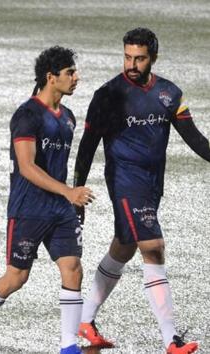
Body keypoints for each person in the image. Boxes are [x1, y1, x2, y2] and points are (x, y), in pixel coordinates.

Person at [74, 27, 208, 354]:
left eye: (140, 58)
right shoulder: (107, 95)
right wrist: (76, 189)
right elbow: (88, 145)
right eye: (127, 57)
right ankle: (170, 340)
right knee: (153, 246)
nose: (132, 64)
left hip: (151, 184)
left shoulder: (169, 94)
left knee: (124, 246)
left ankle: (85, 320)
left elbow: (194, 138)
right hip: (123, 179)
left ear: (153, 57)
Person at [0, 46, 93, 354]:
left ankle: (68, 346)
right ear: (51, 78)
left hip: (60, 209)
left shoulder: (69, 118)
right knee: (16, 277)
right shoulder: (28, 115)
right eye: (70, 73)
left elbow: (57, 164)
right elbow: (27, 167)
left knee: (73, 267)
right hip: (28, 208)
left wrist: (69, 199)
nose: (76, 78)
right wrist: (68, 191)